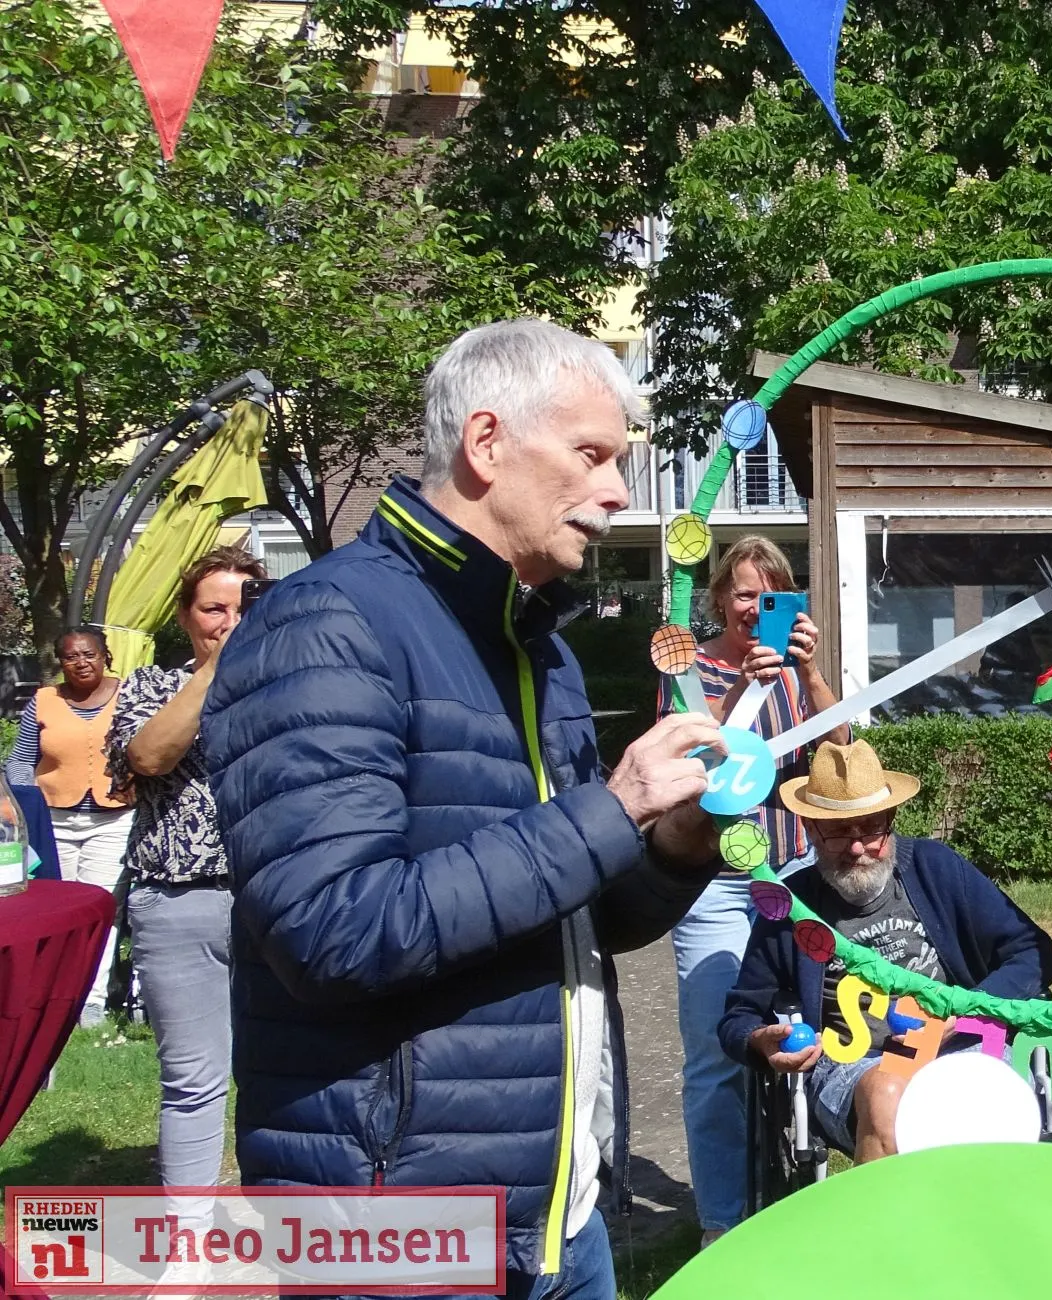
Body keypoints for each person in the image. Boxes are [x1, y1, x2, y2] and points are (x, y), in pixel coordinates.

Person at [204, 319, 728, 1299]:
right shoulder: (326, 625)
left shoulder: (543, 652)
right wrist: (613, 807)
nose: (618, 490)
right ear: (486, 444)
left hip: (560, 1221)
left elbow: (587, 913)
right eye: (591, 455)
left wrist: (676, 835)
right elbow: (334, 928)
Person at [720, 739, 1052, 1164]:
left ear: (891, 819)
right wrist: (761, 1042)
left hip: (965, 1045)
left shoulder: (935, 868)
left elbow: (1033, 951)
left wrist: (968, 1013)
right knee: (888, 1092)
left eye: (872, 828)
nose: (858, 847)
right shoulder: (790, 908)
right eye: (840, 832)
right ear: (810, 829)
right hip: (856, 1064)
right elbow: (739, 1016)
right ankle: (888, 1230)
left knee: (986, 1102)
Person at [660, 534, 848, 1246]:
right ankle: (723, 1227)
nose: (754, 608)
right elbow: (693, 756)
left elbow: (844, 755)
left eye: (771, 595)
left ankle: (801, 1209)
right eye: (743, 592)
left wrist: (810, 672)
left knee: (814, 1041)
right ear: (717, 599)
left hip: (796, 880)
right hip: (715, 885)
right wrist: (746, 684)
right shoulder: (692, 669)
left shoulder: (800, 676)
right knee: (719, 1054)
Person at [105, 547, 266, 1185]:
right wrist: (213, 673)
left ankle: (293, 1225)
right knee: (194, 1080)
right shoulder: (153, 687)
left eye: (244, 607)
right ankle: (188, 1244)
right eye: (213, 609)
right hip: (180, 903)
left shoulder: (302, 683)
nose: (228, 621)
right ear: (184, 616)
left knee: (288, 1069)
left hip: (280, 901)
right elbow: (148, 757)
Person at [8, 627, 133, 1025]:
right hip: (54, 820)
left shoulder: (129, 695)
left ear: (105, 656)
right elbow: (19, 761)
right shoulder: (44, 701)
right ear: (60, 662)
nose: (81, 663)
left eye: (89, 654)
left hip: (112, 817)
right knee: (55, 908)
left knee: (101, 909)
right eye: (71, 657)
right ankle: (51, 993)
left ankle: (91, 1000)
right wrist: (27, 804)